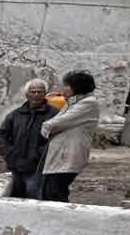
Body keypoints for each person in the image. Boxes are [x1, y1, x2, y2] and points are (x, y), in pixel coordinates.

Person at [39, 71, 100, 202]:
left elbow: (54, 124)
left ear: (77, 87)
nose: (63, 89)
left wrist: (46, 127)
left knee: (55, 194)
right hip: (59, 155)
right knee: (48, 192)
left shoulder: (88, 104)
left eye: (67, 86)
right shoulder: (72, 103)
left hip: (68, 155)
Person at [0, 79, 58, 199]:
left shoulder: (54, 115)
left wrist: (40, 155)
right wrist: (9, 153)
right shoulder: (15, 115)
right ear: (26, 94)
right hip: (16, 165)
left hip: (39, 168)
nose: (36, 95)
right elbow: (2, 136)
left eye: (40, 92)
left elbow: (57, 139)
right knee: (15, 197)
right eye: (33, 92)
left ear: (45, 93)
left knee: (34, 196)